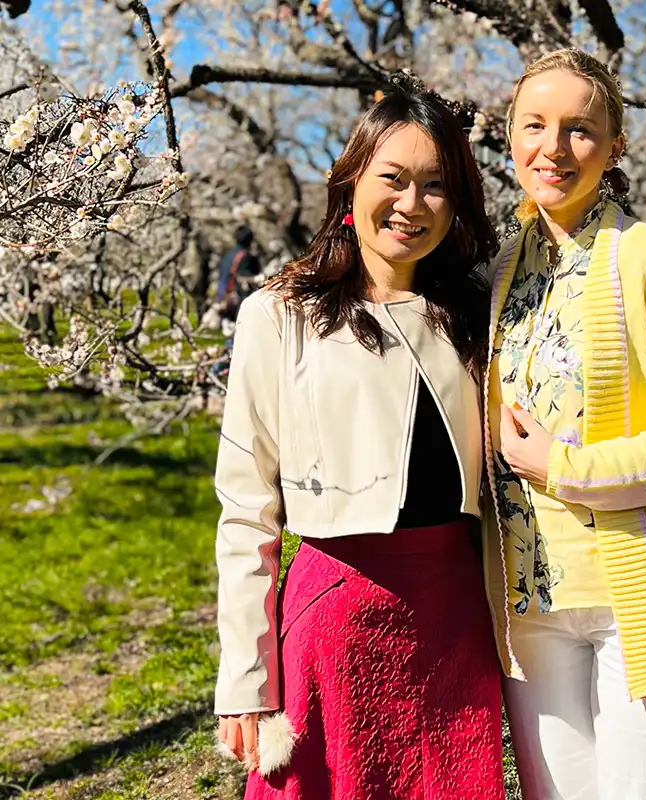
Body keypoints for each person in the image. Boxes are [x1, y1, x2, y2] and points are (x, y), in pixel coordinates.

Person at [213, 83, 506, 799]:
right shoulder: (279, 313)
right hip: (335, 615)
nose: (412, 204)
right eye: (394, 178)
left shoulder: (477, 314)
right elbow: (247, 504)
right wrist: (246, 679)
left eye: (437, 186)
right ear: (352, 181)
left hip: (453, 615)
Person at [481, 49, 646, 800]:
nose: (553, 149)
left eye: (579, 130)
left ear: (615, 146)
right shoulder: (508, 270)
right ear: (510, 135)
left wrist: (566, 470)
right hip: (534, 605)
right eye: (534, 125)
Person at [216, 224, 262, 321]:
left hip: (224, 296)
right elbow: (245, 279)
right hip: (237, 298)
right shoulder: (246, 257)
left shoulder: (227, 255)